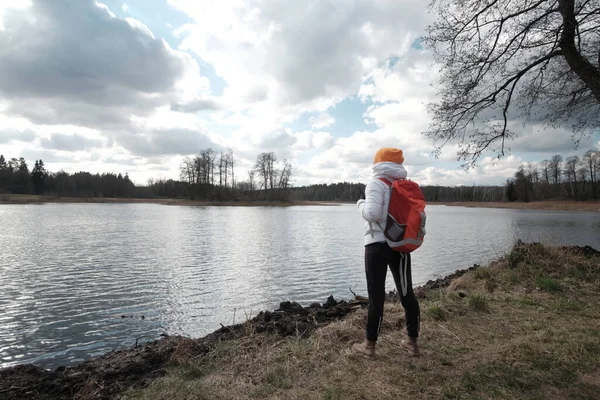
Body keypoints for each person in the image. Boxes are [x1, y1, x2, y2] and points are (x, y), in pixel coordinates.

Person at [352, 147, 421, 358]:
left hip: (377, 245)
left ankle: (369, 346)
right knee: (407, 293)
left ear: (377, 163)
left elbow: (372, 214)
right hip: (400, 244)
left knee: (376, 296)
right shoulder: (403, 185)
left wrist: (360, 203)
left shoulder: (376, 183)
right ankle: (412, 341)